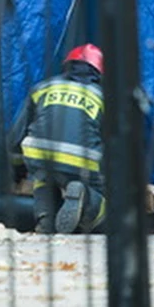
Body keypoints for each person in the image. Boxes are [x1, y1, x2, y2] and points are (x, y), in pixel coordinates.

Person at [8, 43, 107, 234]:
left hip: (41, 156)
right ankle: (86, 197)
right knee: (102, 204)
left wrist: (16, 173)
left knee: (42, 177)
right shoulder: (102, 97)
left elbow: (16, 136)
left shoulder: (42, 88)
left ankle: (46, 220)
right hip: (82, 162)